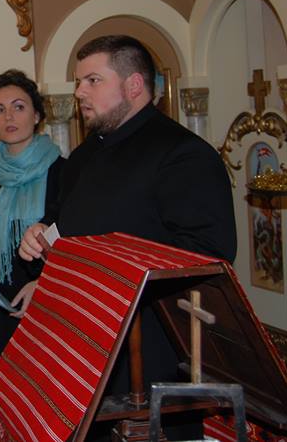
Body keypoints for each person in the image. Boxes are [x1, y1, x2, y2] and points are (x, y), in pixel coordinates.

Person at [19, 35, 236, 440]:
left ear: (134, 86)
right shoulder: (83, 157)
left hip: (151, 352)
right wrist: (39, 238)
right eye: (79, 82)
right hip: (84, 348)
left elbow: (209, 256)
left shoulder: (184, 154)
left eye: (92, 81)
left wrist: (116, 262)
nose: (79, 91)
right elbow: (63, 223)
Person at [0, 70, 64, 410]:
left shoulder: (62, 171)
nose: (8, 117)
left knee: (44, 404)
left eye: (18, 107)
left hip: (45, 300)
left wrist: (41, 282)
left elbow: (70, 239)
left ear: (36, 115)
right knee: (4, 406)